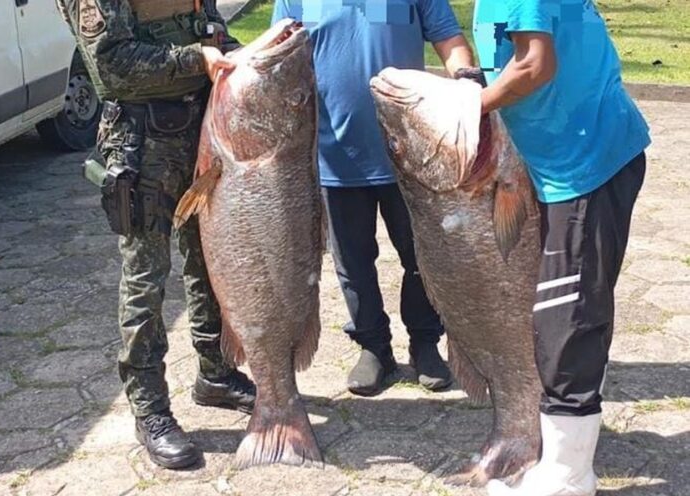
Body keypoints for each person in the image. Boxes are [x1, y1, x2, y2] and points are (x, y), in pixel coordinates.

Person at [457, 1, 650, 495]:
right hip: (577, 159)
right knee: (575, 304)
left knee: (567, 318)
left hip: (584, 165)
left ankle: (568, 476)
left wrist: (469, 109)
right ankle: (569, 447)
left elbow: (534, 64)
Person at [55, 0, 256, 469]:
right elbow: (114, 64)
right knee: (147, 277)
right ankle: (150, 409)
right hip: (142, 144)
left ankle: (216, 372)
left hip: (202, 135)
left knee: (208, 259)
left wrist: (246, 55)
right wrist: (197, 60)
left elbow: (213, 33)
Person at [271, 0, 475, 396]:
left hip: (410, 153)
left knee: (423, 257)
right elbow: (278, 52)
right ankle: (374, 347)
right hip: (334, 156)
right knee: (353, 263)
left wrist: (468, 82)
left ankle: (425, 342)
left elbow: (449, 40)